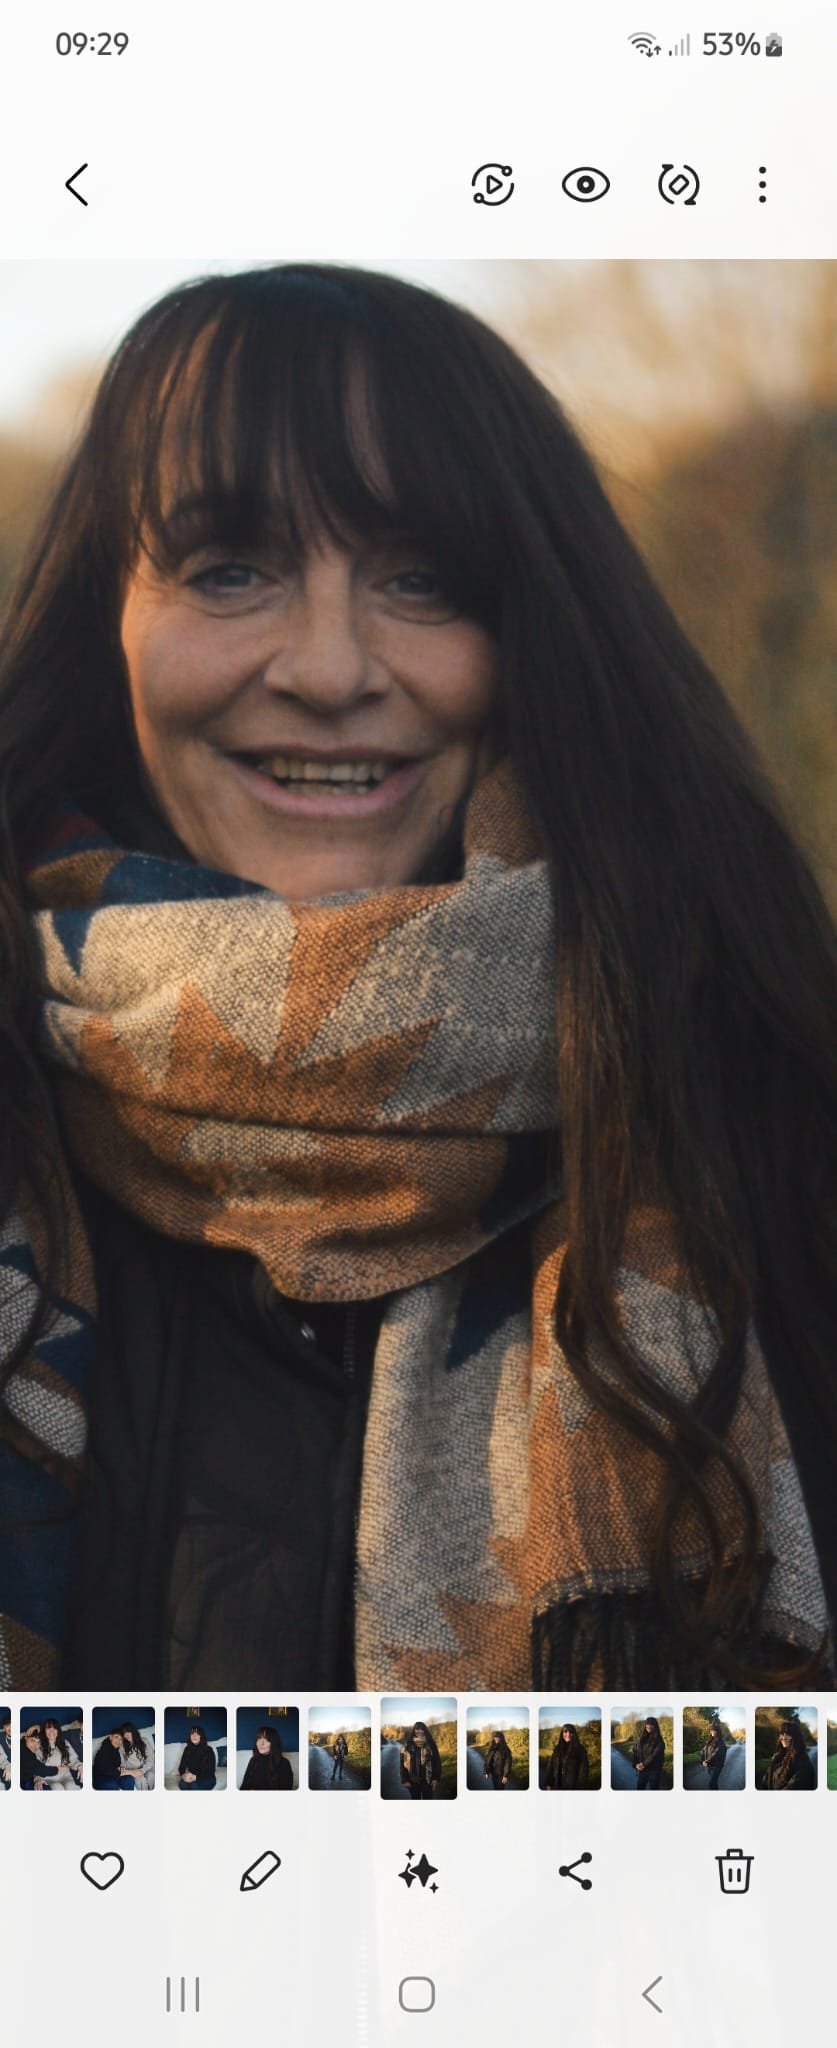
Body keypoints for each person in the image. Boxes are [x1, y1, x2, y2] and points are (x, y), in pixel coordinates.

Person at [0, 264, 834, 1698]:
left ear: (531, 641)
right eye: (230, 570)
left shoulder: (768, 1119)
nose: (331, 668)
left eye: (422, 580)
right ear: (107, 626)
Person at [763, 1719, 816, 1790]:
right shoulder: (778, 1757)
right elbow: (766, 1780)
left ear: (795, 1737)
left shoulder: (802, 1762)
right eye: (782, 1734)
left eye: (788, 1734)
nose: (784, 1738)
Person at [241, 1724, 294, 1790]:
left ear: (274, 1743)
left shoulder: (284, 1763)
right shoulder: (253, 1760)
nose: (261, 1743)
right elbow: (244, 1786)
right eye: (259, 1738)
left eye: (267, 1739)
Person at [36, 1717, 82, 1789]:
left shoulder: (65, 1743)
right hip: (49, 1778)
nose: (52, 1731)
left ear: (58, 1731)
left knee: (71, 1787)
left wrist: (80, 1766)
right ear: (44, 1731)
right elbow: (35, 1765)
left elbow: (73, 1760)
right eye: (48, 1728)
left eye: (54, 1728)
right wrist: (37, 1778)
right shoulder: (39, 1745)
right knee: (57, 1788)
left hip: (65, 1776)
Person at [400, 1722, 442, 1799]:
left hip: (427, 1781)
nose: (419, 1731)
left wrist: (436, 1778)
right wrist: (404, 1779)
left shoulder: (430, 1744)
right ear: (414, 1730)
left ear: (425, 1730)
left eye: (421, 1729)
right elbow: (402, 1763)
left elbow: (437, 1761)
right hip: (412, 1781)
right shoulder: (408, 1744)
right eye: (417, 1729)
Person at [545, 1722, 590, 1790]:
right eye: (565, 1731)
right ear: (562, 1733)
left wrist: (580, 1789)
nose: (568, 1734)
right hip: (557, 1785)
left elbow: (583, 1773)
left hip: (572, 1787)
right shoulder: (557, 1748)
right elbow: (550, 1766)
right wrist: (548, 1783)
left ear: (574, 1734)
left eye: (570, 1732)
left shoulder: (580, 1750)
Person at [177, 1722, 217, 1789]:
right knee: (182, 1784)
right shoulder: (187, 1749)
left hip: (207, 1777)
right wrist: (183, 1775)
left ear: (201, 1736)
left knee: (194, 1786)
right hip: (191, 1776)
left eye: (197, 1734)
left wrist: (196, 1777)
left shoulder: (208, 1750)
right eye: (192, 1734)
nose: (194, 1736)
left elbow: (211, 1771)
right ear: (190, 1736)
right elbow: (181, 1767)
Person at [632, 1716, 666, 1791]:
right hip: (642, 1770)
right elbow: (635, 1750)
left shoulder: (659, 1740)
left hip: (654, 1771)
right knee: (639, 1789)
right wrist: (635, 1764)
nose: (649, 1726)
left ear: (655, 1726)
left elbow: (655, 1755)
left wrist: (643, 1764)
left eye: (651, 1724)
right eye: (647, 1724)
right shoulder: (641, 1738)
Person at [700, 1718, 727, 1790]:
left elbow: (716, 1753)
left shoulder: (720, 1742)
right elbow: (704, 1750)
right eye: (711, 1730)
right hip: (709, 1766)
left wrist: (707, 1761)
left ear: (717, 1731)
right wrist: (702, 1760)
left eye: (713, 1730)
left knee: (711, 1783)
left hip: (717, 1766)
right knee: (714, 1783)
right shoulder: (709, 1740)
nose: (711, 1731)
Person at [0, 1712, 10, 1788]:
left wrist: (37, 1727)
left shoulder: (23, 1737)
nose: (10, 1728)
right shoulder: (1, 1735)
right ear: (4, 1727)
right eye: (7, 1725)